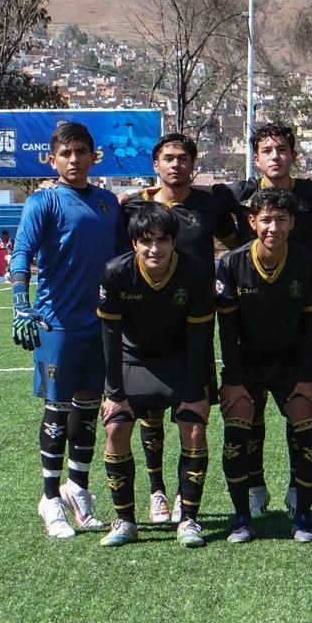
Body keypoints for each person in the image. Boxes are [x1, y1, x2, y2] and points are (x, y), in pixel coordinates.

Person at [212, 122, 312, 519]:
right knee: (247, 420)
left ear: (293, 155)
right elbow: (204, 202)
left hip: (294, 329)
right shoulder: (236, 198)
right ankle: (252, 492)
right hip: (250, 338)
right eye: (267, 150)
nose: (275, 156)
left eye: (282, 149)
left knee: (303, 416)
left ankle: (298, 499)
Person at [9, 122, 126, 539]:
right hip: (56, 323)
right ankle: (49, 499)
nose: (74, 160)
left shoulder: (108, 203)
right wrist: (20, 303)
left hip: (100, 325)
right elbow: (22, 252)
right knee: (57, 411)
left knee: (88, 410)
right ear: (52, 159)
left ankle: (77, 489)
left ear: (94, 157)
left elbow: (122, 259)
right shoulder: (43, 201)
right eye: (66, 153)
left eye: (81, 152)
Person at [121, 132, 239, 524]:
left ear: (193, 163)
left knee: (191, 413)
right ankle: (156, 490)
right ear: (156, 164)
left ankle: (184, 501)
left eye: (183, 158)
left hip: (195, 323)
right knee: (150, 413)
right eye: (168, 158)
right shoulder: (134, 205)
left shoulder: (209, 206)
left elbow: (237, 244)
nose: (176, 164)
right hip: (146, 321)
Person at [96, 204, 214, 548]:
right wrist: (114, 393)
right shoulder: (116, 272)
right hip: (134, 361)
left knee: (194, 426)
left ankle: (189, 520)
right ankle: (125, 520)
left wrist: (196, 390)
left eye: (162, 240)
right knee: (115, 426)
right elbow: (109, 336)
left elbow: (200, 337)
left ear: (174, 241)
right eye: (146, 241)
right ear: (134, 243)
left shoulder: (195, 272)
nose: (154, 248)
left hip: (179, 361)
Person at [215, 189, 312, 543]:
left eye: (281, 219)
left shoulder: (305, 263)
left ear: (292, 223)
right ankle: (241, 518)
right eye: (266, 220)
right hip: (246, 366)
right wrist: (232, 379)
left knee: (307, 428)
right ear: (252, 222)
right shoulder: (231, 264)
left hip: (292, 365)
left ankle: (303, 516)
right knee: (236, 433)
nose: (273, 227)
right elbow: (226, 329)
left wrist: (306, 377)